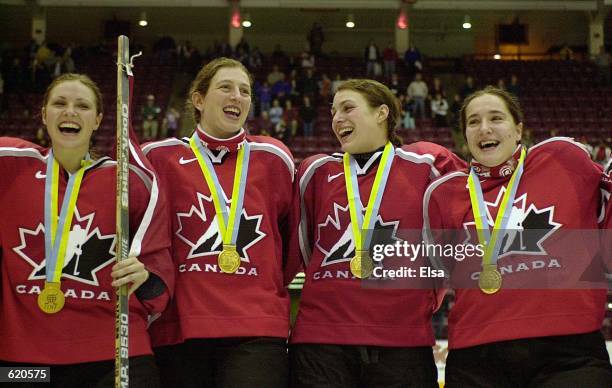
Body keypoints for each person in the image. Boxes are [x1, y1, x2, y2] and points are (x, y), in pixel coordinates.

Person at [423, 86, 612, 387]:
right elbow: (438, 272)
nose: (484, 128)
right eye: (473, 122)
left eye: (496, 117)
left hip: (568, 353)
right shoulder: (445, 193)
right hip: (476, 358)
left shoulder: (563, 159)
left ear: (518, 128)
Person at [290, 79, 466, 388]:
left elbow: (472, 218)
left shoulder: (427, 165)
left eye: (348, 108)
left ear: (381, 112)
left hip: (403, 337)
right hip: (322, 338)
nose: (336, 118)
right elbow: (303, 249)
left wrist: (427, 293)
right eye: (333, 112)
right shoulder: (314, 173)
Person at [0, 73, 173, 387]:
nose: (70, 112)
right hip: (24, 360)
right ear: (44, 114)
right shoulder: (10, 163)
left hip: (115, 353)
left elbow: (158, 271)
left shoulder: (127, 181)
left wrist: (144, 276)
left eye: (82, 106)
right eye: (60, 103)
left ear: (98, 121)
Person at [144, 57, 300, 388]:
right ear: (198, 100)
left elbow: (289, 239)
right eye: (226, 87)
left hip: (257, 327)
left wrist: (263, 280)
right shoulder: (158, 157)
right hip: (180, 327)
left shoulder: (274, 158)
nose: (237, 96)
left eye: (245, 91)